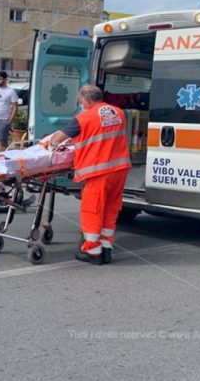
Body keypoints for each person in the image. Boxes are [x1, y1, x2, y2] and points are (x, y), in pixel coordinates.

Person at [49, 85, 131, 265]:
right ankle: (106, 248)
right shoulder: (118, 113)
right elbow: (102, 133)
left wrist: (58, 140)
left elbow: (56, 140)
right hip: (120, 169)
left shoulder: (82, 118)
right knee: (110, 208)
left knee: (92, 210)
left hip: (98, 172)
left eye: (81, 102)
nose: (81, 105)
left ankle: (92, 251)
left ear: (86, 100)